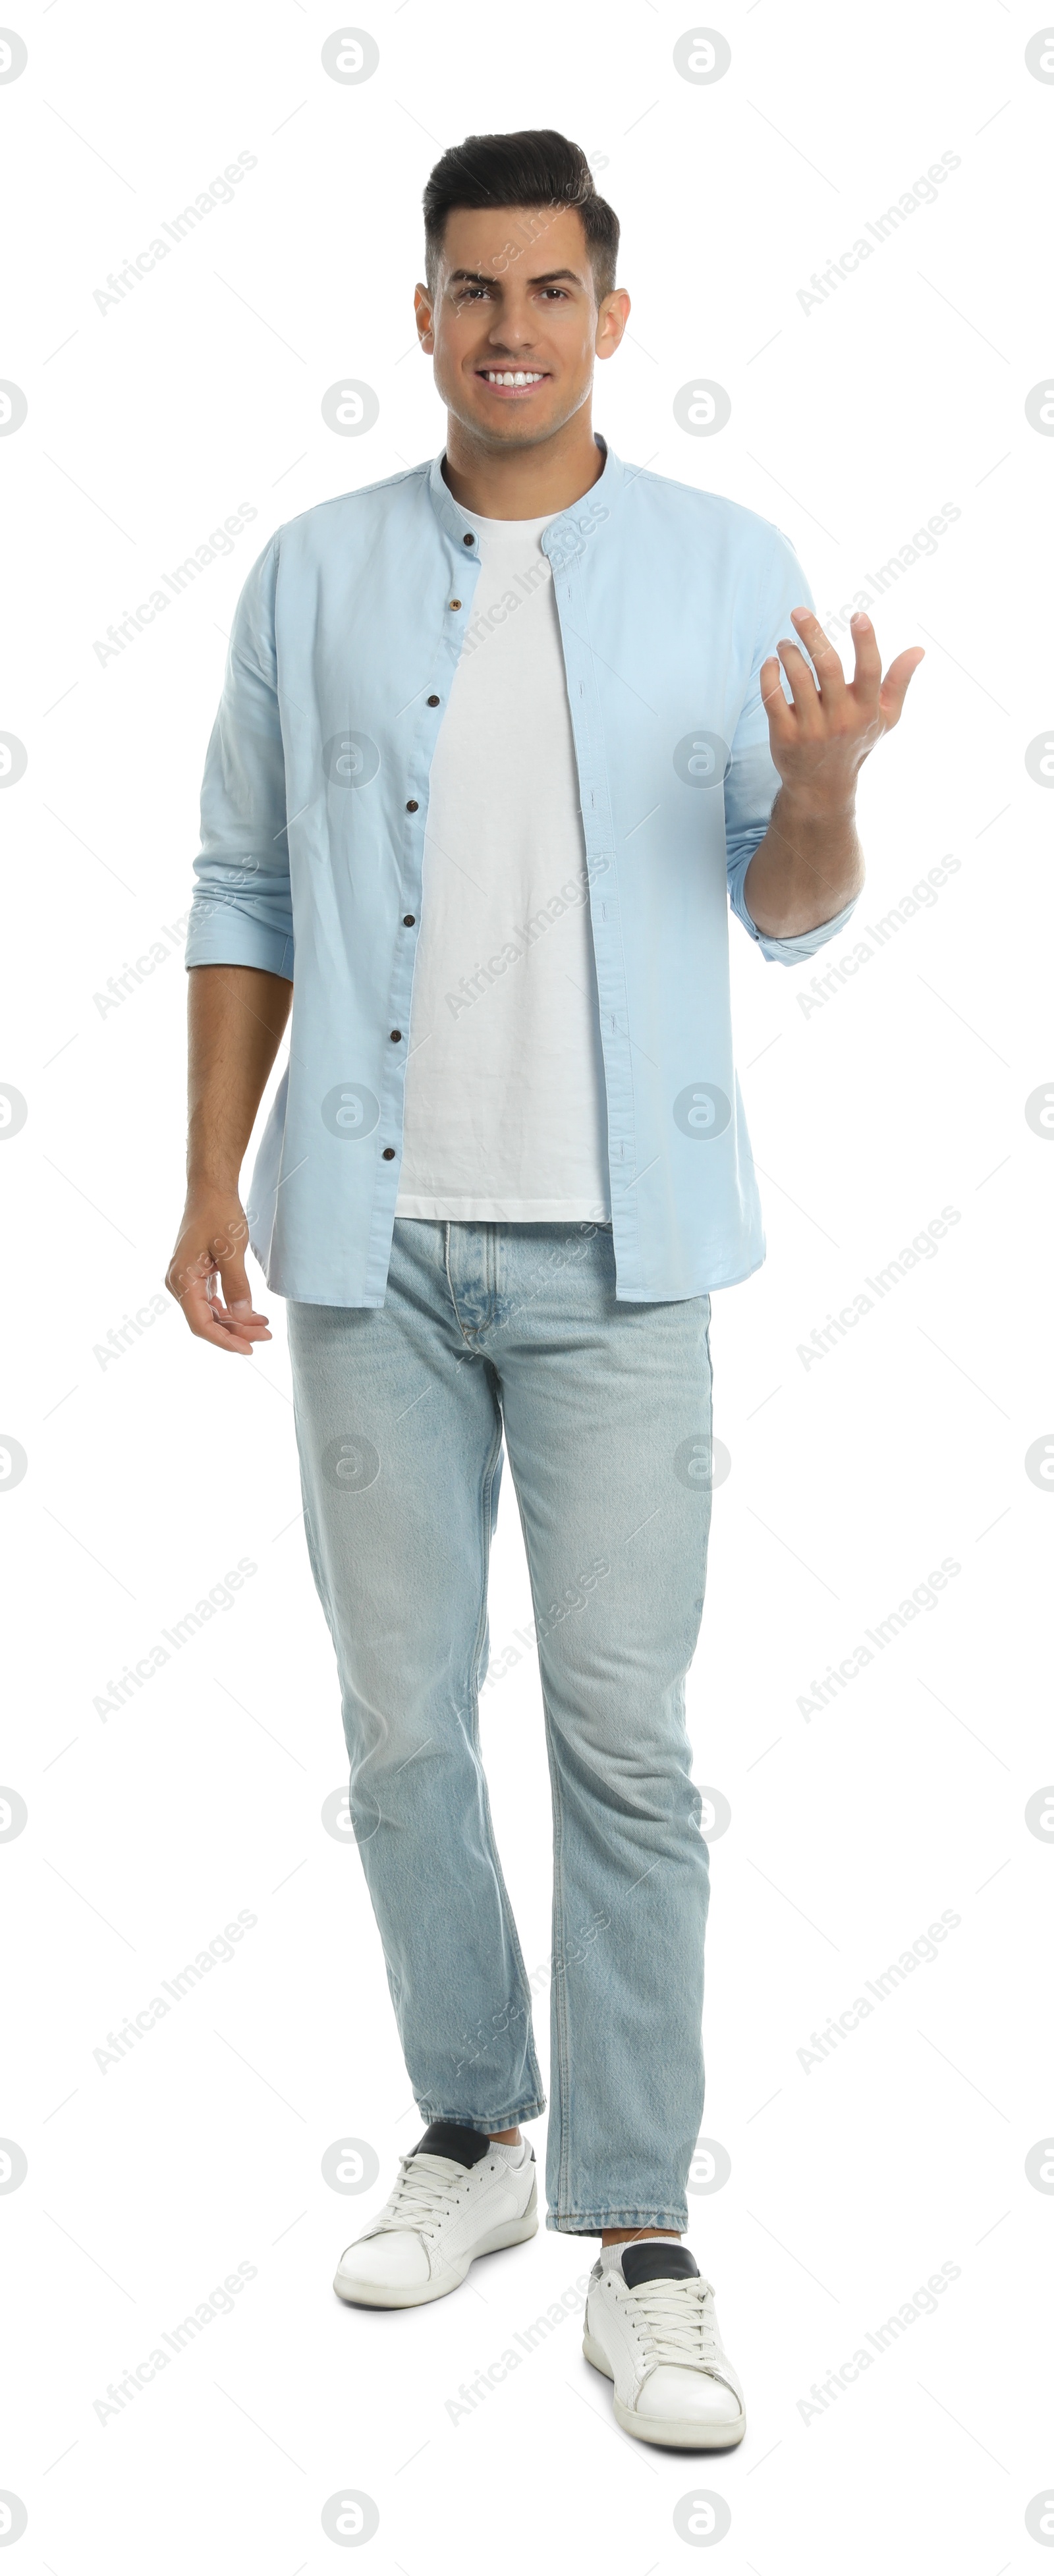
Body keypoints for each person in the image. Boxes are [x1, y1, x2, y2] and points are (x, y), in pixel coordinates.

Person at [167, 128, 922, 2450]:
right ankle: (476, 2135)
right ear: (421, 318)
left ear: (615, 314)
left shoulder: (727, 571)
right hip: (365, 1249)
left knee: (625, 1742)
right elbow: (238, 879)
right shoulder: (307, 578)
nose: (510, 328)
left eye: (552, 291)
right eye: (471, 290)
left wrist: (825, 788)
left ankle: (643, 2230)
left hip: (626, 1262)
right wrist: (210, 1175)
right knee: (400, 1736)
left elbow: (789, 909)